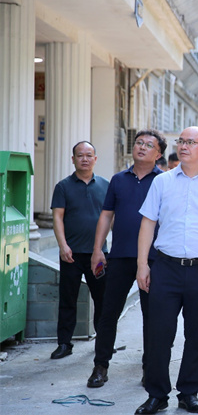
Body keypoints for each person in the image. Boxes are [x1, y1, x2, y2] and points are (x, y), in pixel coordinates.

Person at [134, 126, 198, 415]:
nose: (183, 146)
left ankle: (189, 393)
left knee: (196, 335)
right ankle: (157, 395)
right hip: (166, 268)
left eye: (190, 142)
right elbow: (147, 224)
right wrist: (142, 265)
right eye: (181, 141)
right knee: (159, 333)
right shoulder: (162, 182)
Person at [86, 130, 166, 388]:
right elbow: (106, 215)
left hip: (153, 259)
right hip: (120, 255)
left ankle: (149, 368)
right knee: (108, 312)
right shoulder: (118, 180)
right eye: (139, 143)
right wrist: (98, 249)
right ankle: (100, 366)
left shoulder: (164, 181)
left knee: (152, 316)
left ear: (159, 154)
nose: (142, 147)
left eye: (149, 145)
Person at [50, 141, 109, 360]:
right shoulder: (63, 186)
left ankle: (104, 343)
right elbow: (57, 217)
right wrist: (63, 245)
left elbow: (111, 217)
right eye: (80, 155)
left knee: (103, 300)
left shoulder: (106, 185)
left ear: (95, 159)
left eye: (89, 155)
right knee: (68, 300)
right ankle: (64, 343)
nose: (85, 159)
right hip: (71, 255)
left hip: (99, 255)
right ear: (73, 159)